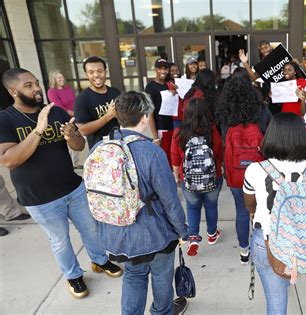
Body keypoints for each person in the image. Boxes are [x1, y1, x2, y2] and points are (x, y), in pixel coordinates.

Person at [0, 68, 122, 298]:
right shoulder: (5, 119)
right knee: (60, 241)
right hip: (40, 198)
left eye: (36, 83)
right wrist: (38, 130)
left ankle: (100, 260)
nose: (36, 88)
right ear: (12, 91)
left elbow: (77, 146)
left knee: (92, 230)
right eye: (28, 85)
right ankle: (73, 275)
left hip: (73, 188)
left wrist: (71, 136)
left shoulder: (55, 112)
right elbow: (9, 160)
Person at [93, 91, 188, 315]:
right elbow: (169, 201)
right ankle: (161, 311)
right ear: (145, 117)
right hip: (154, 233)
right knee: (162, 275)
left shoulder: (101, 148)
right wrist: (182, 231)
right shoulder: (152, 152)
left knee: (134, 276)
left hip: (118, 232)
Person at [243, 113, 306, 314]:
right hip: (299, 240)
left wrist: (256, 212)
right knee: (283, 280)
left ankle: (282, 280)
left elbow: (249, 203)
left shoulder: (255, 169)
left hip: (267, 239)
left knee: (275, 300)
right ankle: (285, 277)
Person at [216, 67, 271, 264]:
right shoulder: (261, 110)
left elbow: (223, 142)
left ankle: (244, 251)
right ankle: (262, 247)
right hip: (259, 171)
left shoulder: (224, 114)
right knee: (262, 209)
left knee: (241, 210)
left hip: (235, 170)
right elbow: (270, 138)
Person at [171, 98, 223, 257]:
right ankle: (212, 234)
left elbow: (175, 157)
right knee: (211, 206)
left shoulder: (180, 132)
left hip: (189, 179)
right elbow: (219, 152)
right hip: (212, 178)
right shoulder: (212, 130)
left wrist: (177, 175)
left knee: (192, 207)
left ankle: (193, 237)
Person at [74, 56, 120, 150]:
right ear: (87, 75)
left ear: (105, 72)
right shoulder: (82, 99)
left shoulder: (115, 92)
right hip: (99, 151)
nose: (96, 75)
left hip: (120, 145)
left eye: (100, 71)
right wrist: (108, 116)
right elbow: (83, 130)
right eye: (91, 72)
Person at [47, 70, 81, 168]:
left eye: (62, 77)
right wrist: (75, 114)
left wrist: (78, 111)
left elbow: (75, 101)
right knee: (68, 139)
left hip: (74, 117)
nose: (62, 79)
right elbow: (59, 107)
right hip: (64, 118)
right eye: (59, 78)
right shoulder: (52, 91)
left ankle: (74, 163)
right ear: (54, 80)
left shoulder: (68, 88)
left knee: (77, 139)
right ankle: (69, 163)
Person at [145, 59, 174, 165]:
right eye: (160, 68)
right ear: (156, 69)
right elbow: (150, 113)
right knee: (165, 159)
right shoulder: (151, 87)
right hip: (161, 128)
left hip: (173, 126)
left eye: (165, 68)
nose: (163, 71)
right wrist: (155, 137)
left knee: (173, 156)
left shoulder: (169, 84)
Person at [169, 63, 185, 129]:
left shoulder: (183, 82)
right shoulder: (167, 84)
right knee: (178, 137)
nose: (175, 72)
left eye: (177, 70)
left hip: (186, 116)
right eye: (172, 71)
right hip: (175, 117)